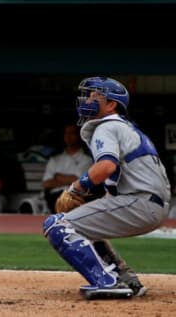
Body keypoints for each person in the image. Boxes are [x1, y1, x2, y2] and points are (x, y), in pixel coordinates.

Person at [42, 76, 171, 299]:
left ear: (111, 104)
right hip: (149, 203)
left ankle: (107, 282)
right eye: (88, 95)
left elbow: (106, 166)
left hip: (141, 202)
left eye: (95, 96)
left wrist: (76, 188)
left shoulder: (108, 125)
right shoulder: (125, 128)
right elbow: (114, 181)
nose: (87, 100)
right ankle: (126, 280)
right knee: (82, 224)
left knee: (57, 226)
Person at [42, 123, 93, 213]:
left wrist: (57, 177)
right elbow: (47, 183)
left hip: (76, 196)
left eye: (72, 133)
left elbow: (79, 181)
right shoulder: (55, 159)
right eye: (66, 133)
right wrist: (69, 179)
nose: (68, 136)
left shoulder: (86, 160)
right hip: (54, 196)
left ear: (79, 135)